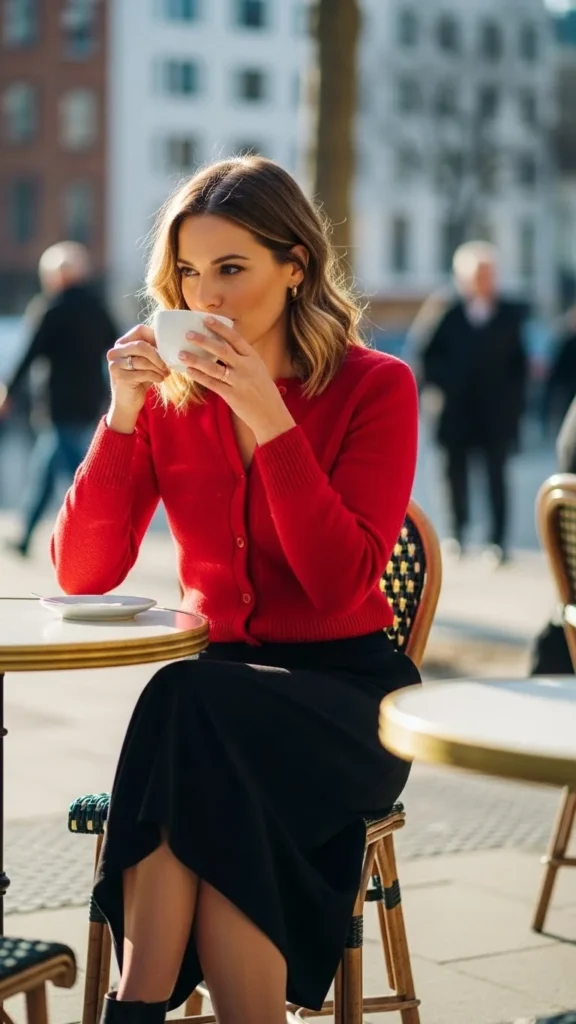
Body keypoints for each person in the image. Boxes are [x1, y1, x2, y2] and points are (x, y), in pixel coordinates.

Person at [51, 157, 420, 1024]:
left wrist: (270, 417)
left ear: (296, 266)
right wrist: (122, 416)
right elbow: (82, 573)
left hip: (346, 703)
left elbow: (340, 583)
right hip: (218, 715)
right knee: (206, 749)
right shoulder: (172, 399)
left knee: (187, 703)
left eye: (230, 269)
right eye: (186, 272)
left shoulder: (377, 386)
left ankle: (133, 1006)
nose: (204, 296)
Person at [0, 241, 117, 556]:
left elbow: (29, 353)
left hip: (57, 404)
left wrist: (8, 391)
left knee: (74, 474)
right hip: (90, 401)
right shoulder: (97, 308)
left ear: (55, 277)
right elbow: (116, 347)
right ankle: (26, 533)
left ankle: (93, 536)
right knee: (48, 469)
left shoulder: (51, 309)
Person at [421, 241, 528, 565]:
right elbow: (426, 358)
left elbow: (519, 367)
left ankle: (497, 540)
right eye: (479, 274)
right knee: (454, 476)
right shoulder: (446, 312)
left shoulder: (508, 315)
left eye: (490, 273)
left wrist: (514, 406)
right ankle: (457, 532)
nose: (485, 280)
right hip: (455, 413)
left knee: (496, 475)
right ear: (463, 278)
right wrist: (447, 386)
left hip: (495, 415)